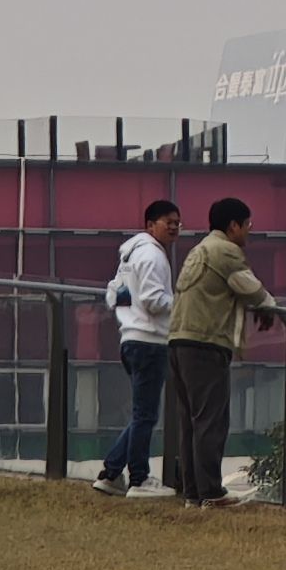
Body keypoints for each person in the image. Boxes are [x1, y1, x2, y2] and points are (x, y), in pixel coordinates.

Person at [165, 197, 281, 509]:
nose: (249, 231)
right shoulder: (226, 252)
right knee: (210, 422)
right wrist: (270, 308)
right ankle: (212, 493)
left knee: (190, 423)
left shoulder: (200, 249)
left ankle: (194, 493)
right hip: (206, 343)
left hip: (179, 341)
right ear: (233, 226)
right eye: (247, 225)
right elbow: (254, 291)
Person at [96, 195, 182, 494]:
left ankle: (111, 473)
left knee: (141, 414)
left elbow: (114, 295)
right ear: (150, 225)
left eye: (178, 223)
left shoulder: (129, 256)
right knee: (145, 415)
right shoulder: (153, 256)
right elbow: (154, 301)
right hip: (150, 342)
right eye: (168, 222)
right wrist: (183, 304)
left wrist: (130, 315)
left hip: (131, 338)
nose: (174, 228)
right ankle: (139, 479)